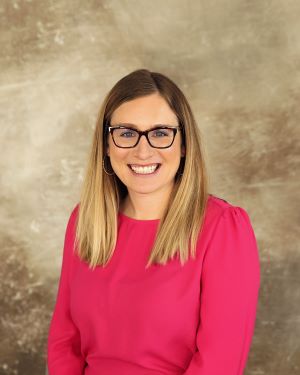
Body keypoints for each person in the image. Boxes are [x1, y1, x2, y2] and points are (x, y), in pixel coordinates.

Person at [46, 69, 261, 375]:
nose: (142, 150)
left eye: (160, 133)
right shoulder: (85, 221)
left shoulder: (223, 228)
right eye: (126, 133)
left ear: (184, 144)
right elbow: (64, 343)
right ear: (106, 146)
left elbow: (219, 363)